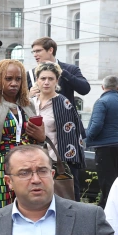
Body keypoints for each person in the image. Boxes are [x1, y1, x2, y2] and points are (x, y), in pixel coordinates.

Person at [0, 59, 45, 215]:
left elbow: (36, 139)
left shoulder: (28, 105)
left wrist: (41, 138)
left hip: (28, 167)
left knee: (28, 213)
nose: (14, 83)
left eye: (18, 79)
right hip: (0, 170)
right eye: (8, 79)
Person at [32, 62, 86, 200]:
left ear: (57, 81)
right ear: (37, 80)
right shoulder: (30, 102)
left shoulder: (63, 103)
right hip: (31, 159)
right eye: (43, 78)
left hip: (55, 161)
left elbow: (70, 137)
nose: (46, 82)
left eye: (50, 79)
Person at [86, 75, 118, 208]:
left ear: (103, 87)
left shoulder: (102, 102)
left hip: (105, 146)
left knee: (106, 181)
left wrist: (88, 139)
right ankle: (107, 207)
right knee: (114, 179)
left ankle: (109, 211)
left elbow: (96, 125)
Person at [28, 37, 90, 106]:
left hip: (65, 112)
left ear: (50, 50)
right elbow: (21, 102)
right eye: (33, 52)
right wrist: (29, 96)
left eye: (38, 51)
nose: (35, 55)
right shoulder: (30, 74)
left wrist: (62, 72)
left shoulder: (70, 69)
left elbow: (85, 89)